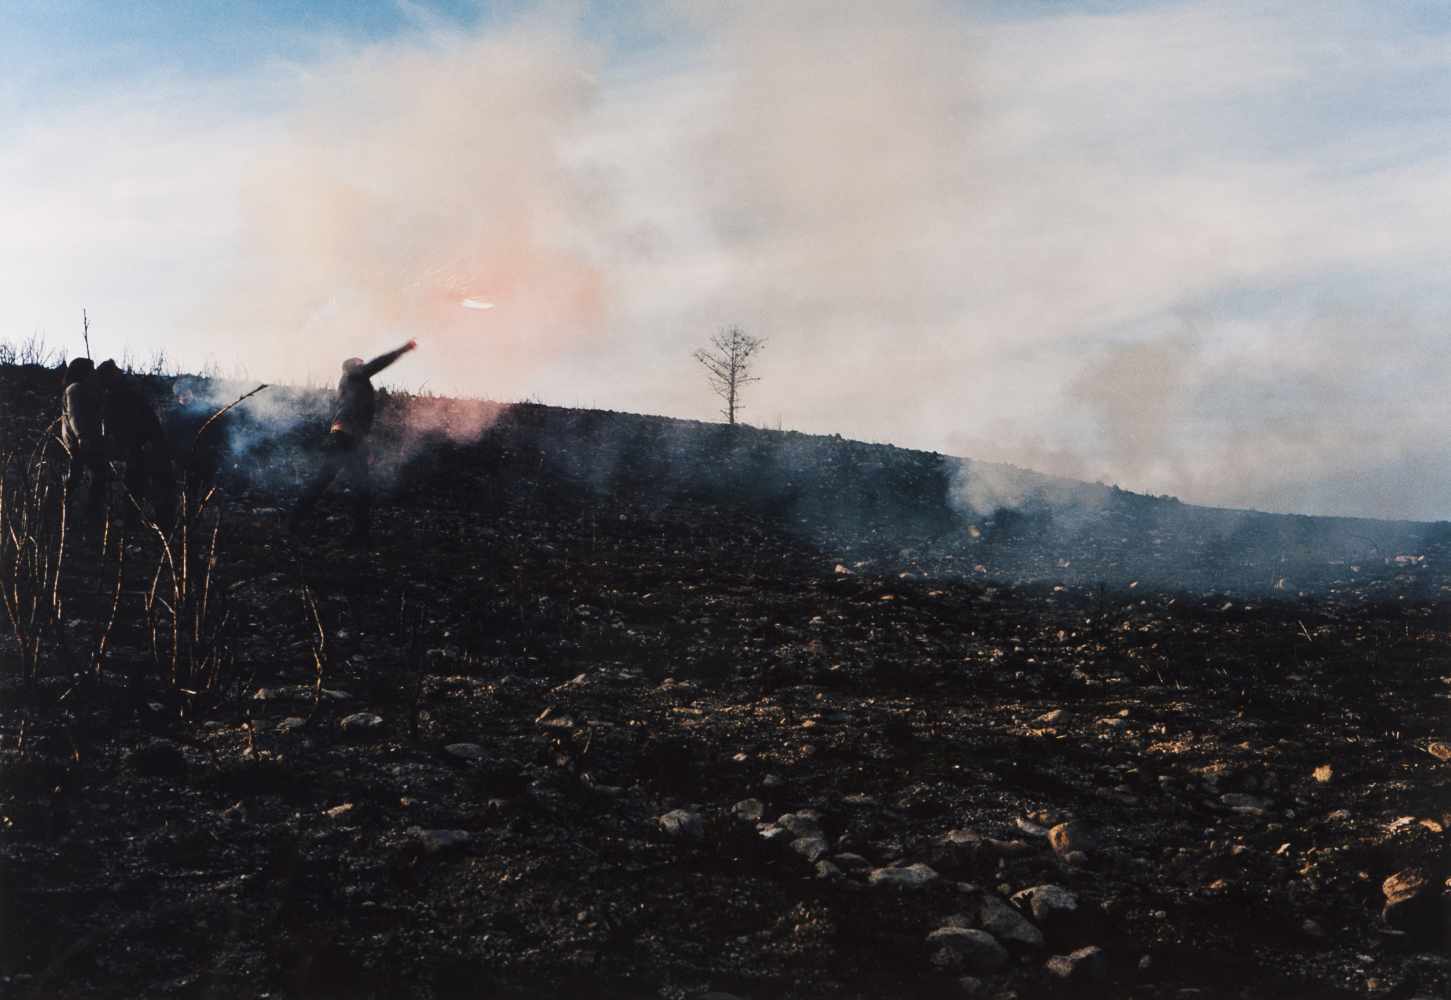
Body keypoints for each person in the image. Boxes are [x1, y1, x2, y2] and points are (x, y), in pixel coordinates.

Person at [290, 340, 417, 546]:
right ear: (352, 366)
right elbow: (380, 362)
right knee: (360, 486)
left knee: (324, 480)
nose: (362, 364)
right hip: (348, 438)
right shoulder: (355, 375)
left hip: (344, 436)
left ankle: (294, 522)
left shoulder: (348, 383)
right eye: (359, 363)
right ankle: (360, 534)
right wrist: (403, 349)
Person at [61, 359, 175, 526]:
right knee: (86, 479)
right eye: (90, 370)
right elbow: (75, 416)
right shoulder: (77, 389)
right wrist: (82, 436)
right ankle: (82, 518)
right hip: (83, 443)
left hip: (89, 443)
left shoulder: (101, 392)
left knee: (94, 478)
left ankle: (86, 518)